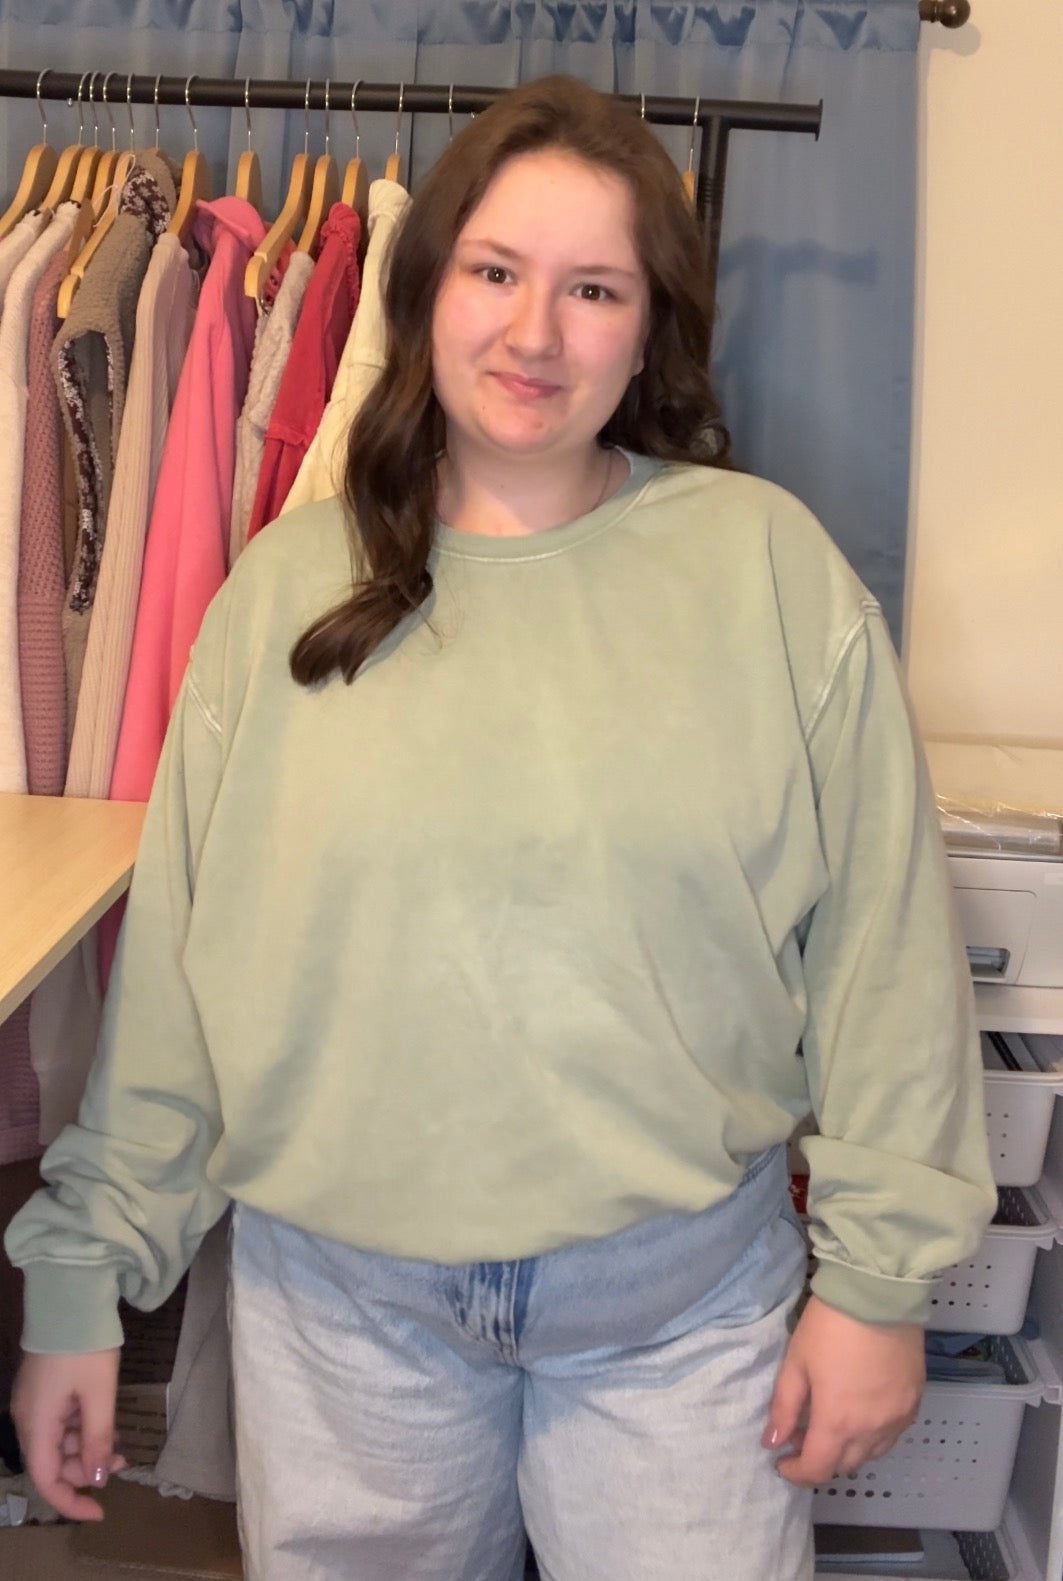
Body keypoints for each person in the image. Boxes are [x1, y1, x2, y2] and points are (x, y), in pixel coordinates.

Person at [6, 75, 995, 1581]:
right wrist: (85, 1268)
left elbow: (885, 955)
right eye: (496, 273)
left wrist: (881, 1283)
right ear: (427, 291)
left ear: (650, 323)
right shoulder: (284, 591)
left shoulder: (767, 575)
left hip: (682, 1314)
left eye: (593, 288)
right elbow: (188, 991)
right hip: (343, 1320)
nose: (536, 335)